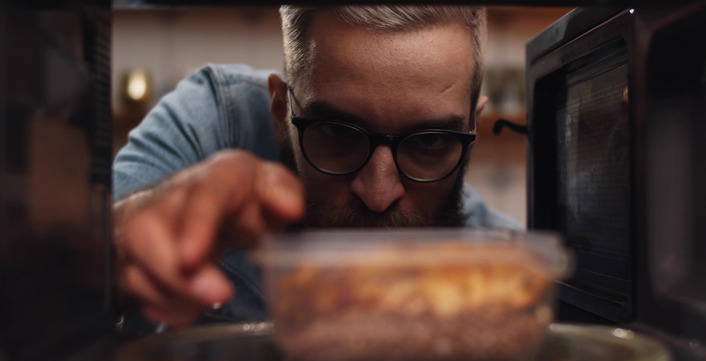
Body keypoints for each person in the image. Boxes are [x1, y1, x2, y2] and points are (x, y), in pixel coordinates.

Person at [112, 6, 520, 331]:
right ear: (279, 111)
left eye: (430, 141)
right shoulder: (216, 120)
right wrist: (139, 232)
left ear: (472, 129)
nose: (378, 195)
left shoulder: (506, 272)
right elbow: (73, 256)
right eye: (336, 132)